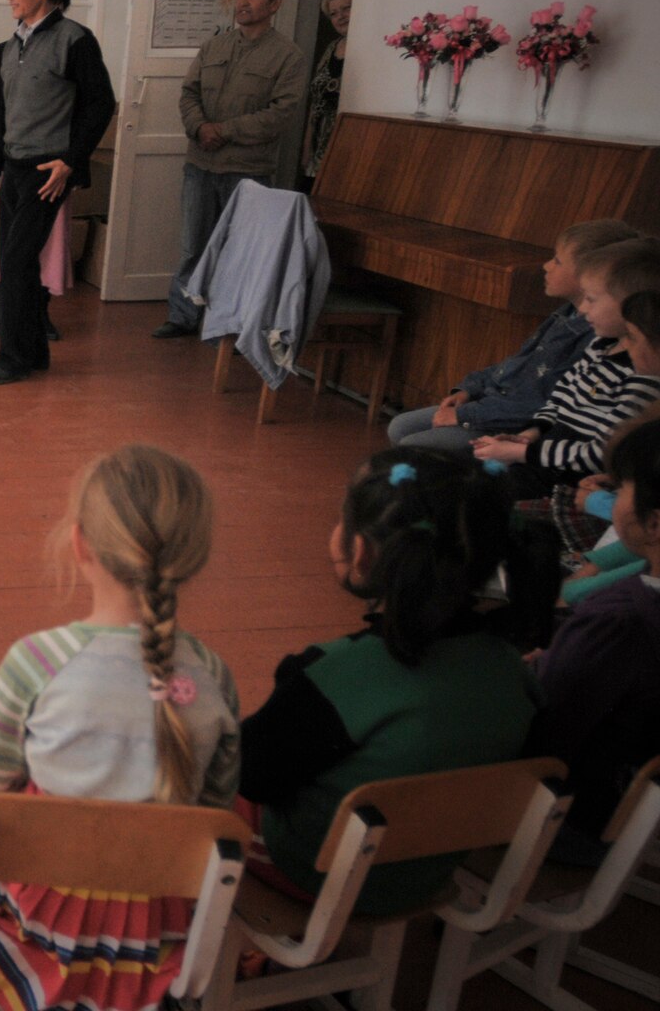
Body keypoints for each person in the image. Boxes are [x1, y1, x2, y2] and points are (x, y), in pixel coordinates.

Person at [0, 446, 239, 1010]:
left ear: (80, 544)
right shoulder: (213, 677)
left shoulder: (36, 663)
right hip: (153, 932)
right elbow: (216, 808)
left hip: (36, 923)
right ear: (193, 556)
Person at [237, 449, 540, 914]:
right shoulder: (512, 670)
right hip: (428, 871)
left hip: (315, 870)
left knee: (192, 774)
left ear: (360, 551)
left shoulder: (334, 675)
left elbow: (251, 776)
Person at [0, 0, 117, 385]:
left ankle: (12, 357)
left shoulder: (75, 40)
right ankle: (34, 352)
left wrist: (71, 160)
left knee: (16, 261)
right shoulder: (12, 45)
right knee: (18, 261)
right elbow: (1, 114)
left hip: (46, 172)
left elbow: (101, 104)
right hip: (12, 168)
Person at [389, 218, 638, 453]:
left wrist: (465, 415)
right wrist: (468, 390)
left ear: (588, 273)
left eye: (557, 261)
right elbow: (514, 364)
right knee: (399, 427)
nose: (546, 266)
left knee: (412, 446)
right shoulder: (566, 313)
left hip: (511, 426)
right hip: (490, 406)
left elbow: (541, 405)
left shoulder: (595, 336)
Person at [531, 418, 660, 865]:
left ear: (654, 522)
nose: (614, 499)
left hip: (577, 822)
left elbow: (546, 731)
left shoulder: (618, 620)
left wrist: (536, 675)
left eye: (622, 490)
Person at [154, 0, 305, 339]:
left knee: (240, 252)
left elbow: (281, 114)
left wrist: (224, 130)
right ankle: (183, 316)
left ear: (275, 4)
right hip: (201, 164)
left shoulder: (287, 56)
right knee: (193, 247)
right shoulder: (215, 46)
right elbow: (189, 93)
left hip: (247, 170)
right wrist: (200, 127)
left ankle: (230, 326)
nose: (243, 2)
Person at [472, 237, 660, 495]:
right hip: (539, 459)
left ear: (629, 306)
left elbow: (599, 455)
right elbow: (560, 397)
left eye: (591, 299)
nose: (582, 309)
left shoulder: (643, 375)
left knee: (472, 494)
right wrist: (532, 433)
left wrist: (522, 452)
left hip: (566, 484)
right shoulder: (599, 346)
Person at [299, 0, 352, 188]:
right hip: (319, 143)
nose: (340, 17)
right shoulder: (332, 47)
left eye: (346, 8)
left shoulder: (366, 46)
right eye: (333, 13)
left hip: (347, 141)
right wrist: (306, 146)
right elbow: (316, 100)